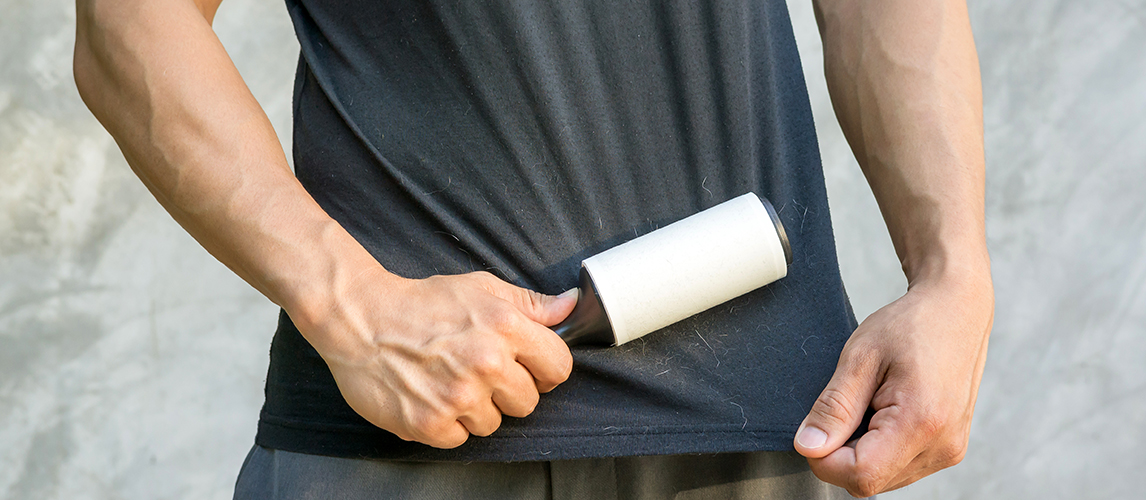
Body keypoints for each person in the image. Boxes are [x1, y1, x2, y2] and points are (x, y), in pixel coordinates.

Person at [73, 0, 994, 498]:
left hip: (763, 439)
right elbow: (128, 22)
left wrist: (953, 272)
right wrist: (346, 303)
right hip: (405, 449)